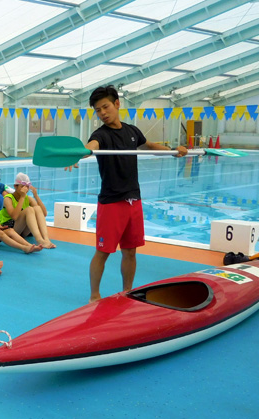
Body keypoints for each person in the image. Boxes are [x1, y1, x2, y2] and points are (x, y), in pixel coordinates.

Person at [67, 85, 187, 302]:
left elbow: (148, 145)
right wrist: (78, 154)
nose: (102, 112)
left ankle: (127, 292)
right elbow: (90, 147)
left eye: (105, 107)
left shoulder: (132, 131)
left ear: (117, 104)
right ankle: (94, 296)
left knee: (130, 251)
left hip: (134, 200)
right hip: (111, 203)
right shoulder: (100, 135)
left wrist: (173, 151)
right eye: (98, 110)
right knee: (103, 252)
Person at [0, 173, 56, 249]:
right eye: (22, 186)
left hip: (22, 231)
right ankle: (39, 239)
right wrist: (22, 197)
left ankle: (46, 239)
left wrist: (36, 196)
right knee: (29, 210)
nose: (25, 189)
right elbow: (14, 217)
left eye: (27, 187)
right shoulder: (8, 198)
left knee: (37, 208)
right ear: (15, 186)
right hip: (10, 230)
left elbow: (44, 213)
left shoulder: (27, 198)